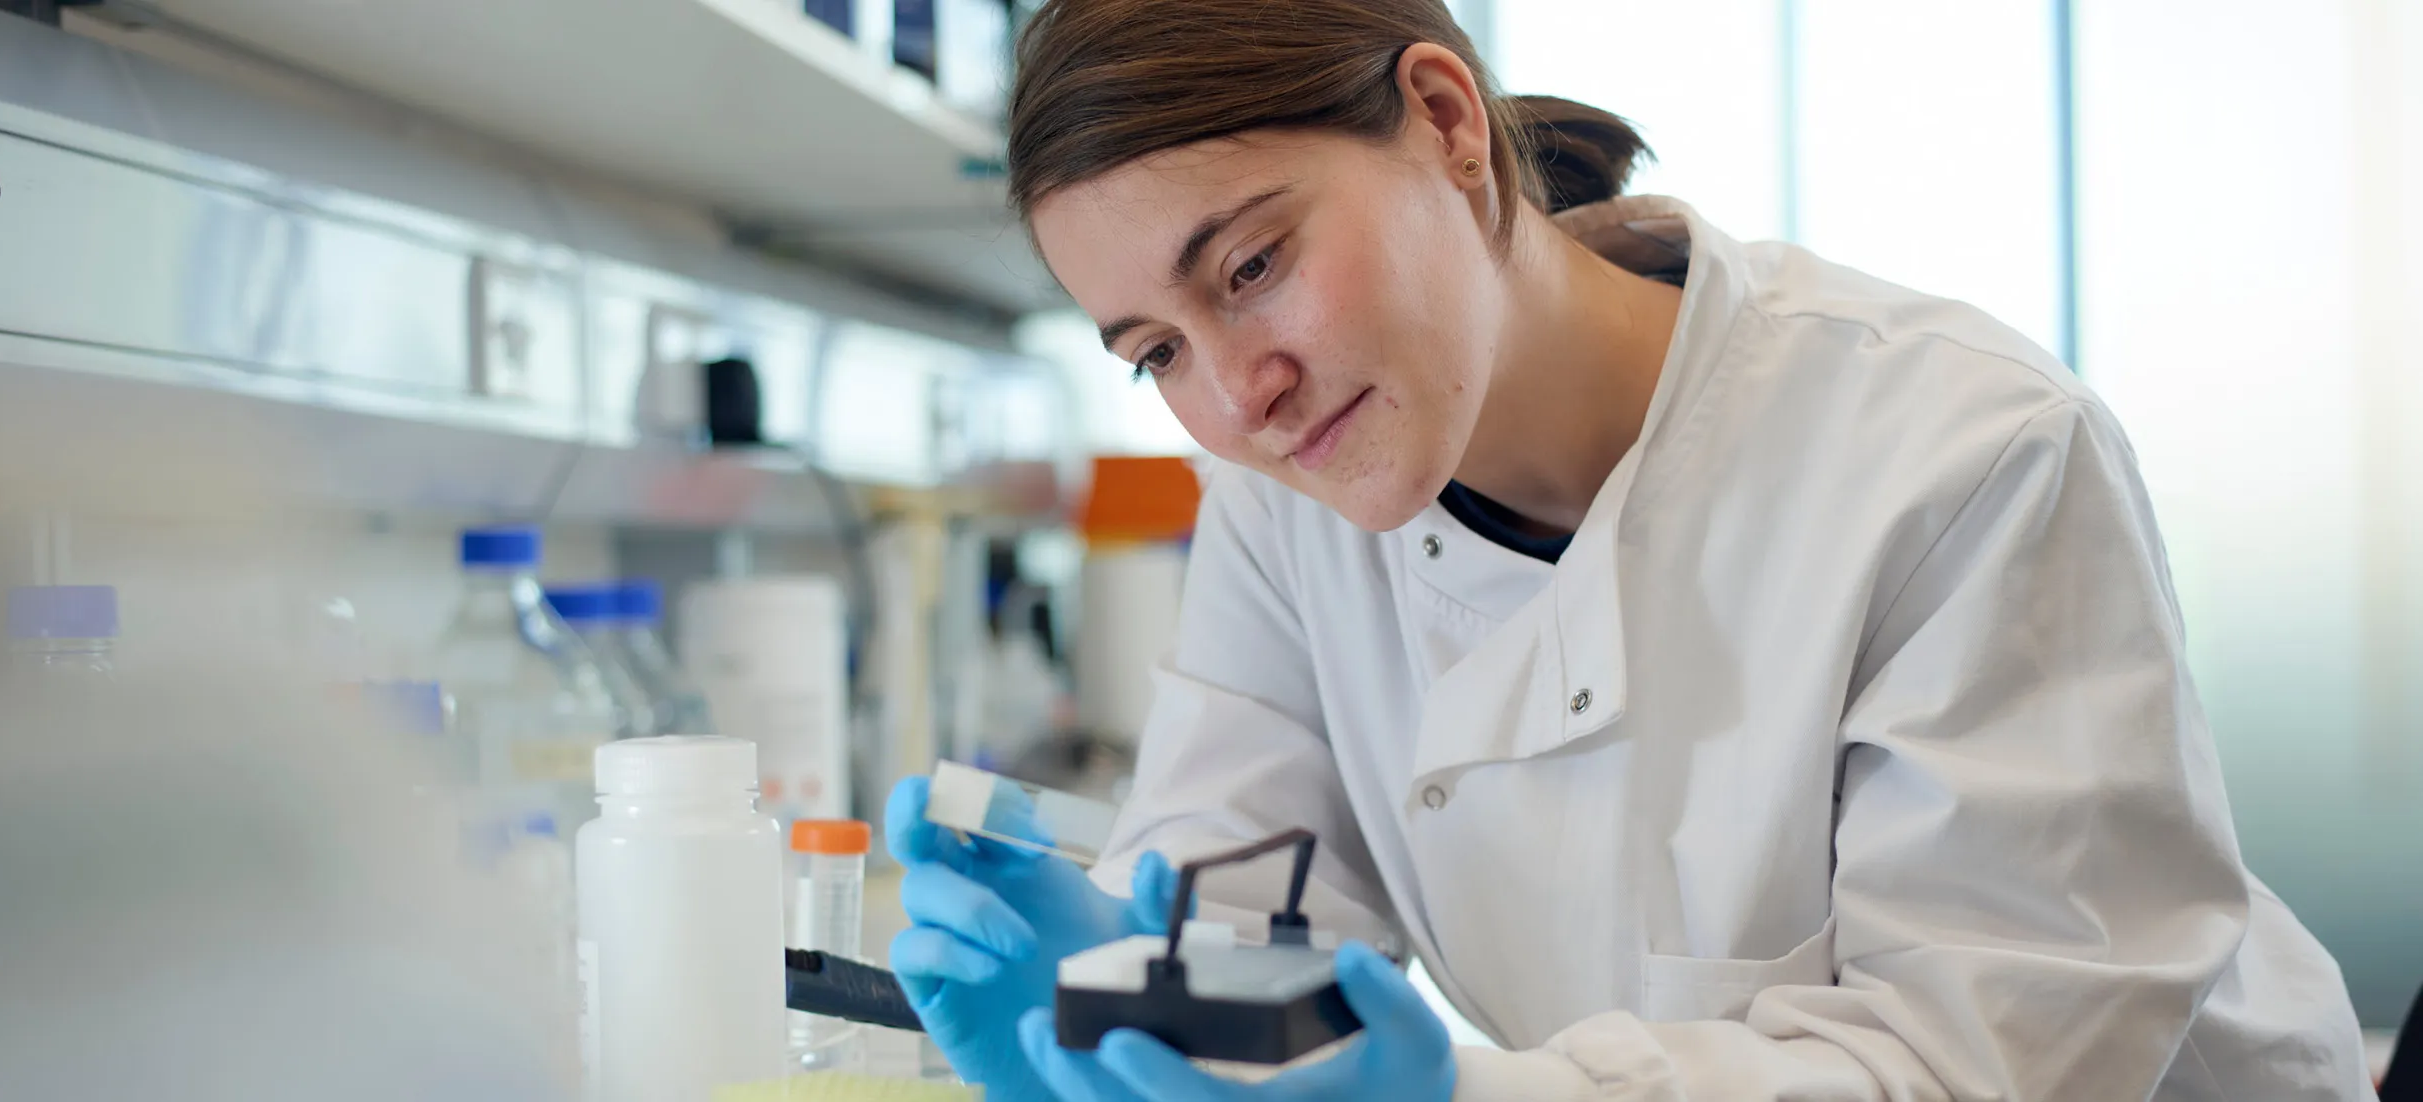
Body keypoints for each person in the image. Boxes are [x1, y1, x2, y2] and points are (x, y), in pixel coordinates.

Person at [883, 0, 2377, 1098]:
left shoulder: (1963, 453)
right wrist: (1119, 1000)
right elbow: (1239, 894)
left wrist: (1456, 1097)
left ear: (1450, 126)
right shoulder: (1297, 502)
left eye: (1256, 266)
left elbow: (1971, 1064)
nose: (1237, 396)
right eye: (1156, 351)